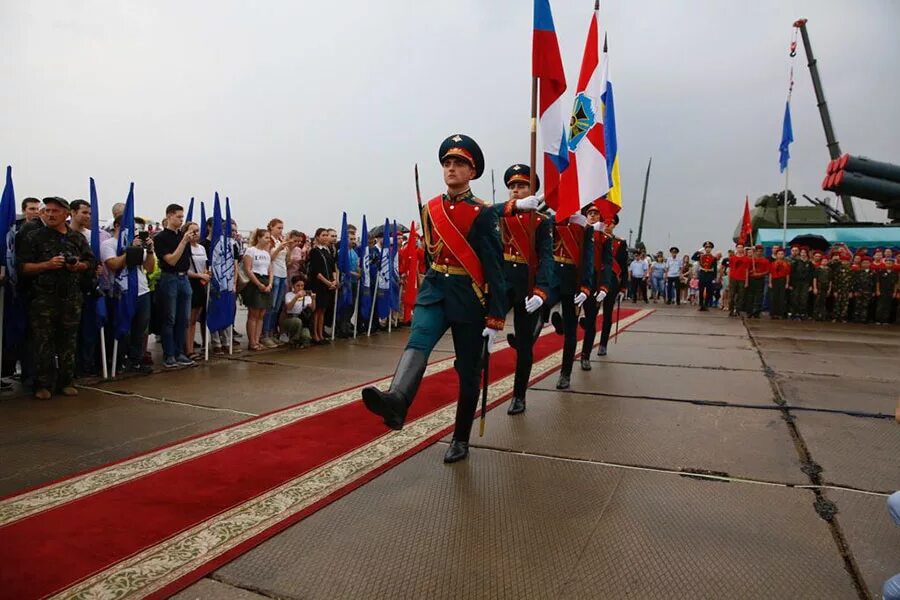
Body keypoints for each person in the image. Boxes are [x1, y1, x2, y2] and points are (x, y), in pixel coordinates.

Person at [361, 133, 509, 464]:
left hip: (468, 298)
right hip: (435, 292)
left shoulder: (483, 213)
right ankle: (397, 400)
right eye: (447, 163)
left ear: (472, 172)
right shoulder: (431, 209)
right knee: (419, 339)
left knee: (469, 371)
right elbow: (431, 255)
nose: (451, 168)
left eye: (459, 163)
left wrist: (496, 316)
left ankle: (460, 438)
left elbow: (495, 268)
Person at [17, 197, 95, 399]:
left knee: (68, 341)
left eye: (55, 211)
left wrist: (77, 266)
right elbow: (23, 267)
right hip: (43, 299)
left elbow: (90, 263)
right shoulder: (33, 237)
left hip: (71, 298)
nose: (50, 214)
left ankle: (66, 381)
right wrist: (47, 265)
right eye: (48, 211)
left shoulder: (77, 238)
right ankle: (43, 384)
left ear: (66, 214)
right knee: (42, 342)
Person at [497, 164, 553, 415]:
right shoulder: (499, 215)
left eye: (521, 186)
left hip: (526, 286)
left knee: (524, 343)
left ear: (532, 190)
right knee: (480, 331)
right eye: (512, 186)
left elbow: (547, 258)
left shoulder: (541, 222)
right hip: (500, 281)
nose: (515, 190)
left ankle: (519, 395)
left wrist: (541, 291)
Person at [101, 214, 155, 373]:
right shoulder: (108, 244)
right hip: (121, 291)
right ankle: (119, 360)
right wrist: (129, 250)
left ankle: (136, 360)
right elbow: (113, 265)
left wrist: (150, 251)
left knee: (140, 329)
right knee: (123, 328)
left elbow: (150, 268)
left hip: (142, 291)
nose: (136, 231)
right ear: (118, 226)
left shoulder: (139, 245)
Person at [548, 210, 593, 390]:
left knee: (571, 332)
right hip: (552, 278)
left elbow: (588, 259)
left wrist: (585, 286)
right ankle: (523, 342)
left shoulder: (584, 227)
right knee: (538, 309)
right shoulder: (552, 220)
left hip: (572, 281)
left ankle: (565, 374)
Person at [153, 204, 196, 368]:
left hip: (184, 278)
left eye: (182, 217)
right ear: (169, 216)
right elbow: (170, 260)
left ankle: (180, 352)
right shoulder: (161, 237)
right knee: (169, 318)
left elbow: (186, 260)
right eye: (178, 217)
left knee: (183, 318)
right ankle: (169, 354)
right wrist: (183, 242)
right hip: (169, 278)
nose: (181, 220)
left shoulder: (182, 237)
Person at [578, 204, 611, 371]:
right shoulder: (579, 231)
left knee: (590, 322)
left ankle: (585, 356)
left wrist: (604, 287)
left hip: (594, 283)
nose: (592, 216)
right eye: (590, 213)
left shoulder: (604, 238)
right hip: (577, 281)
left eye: (596, 213)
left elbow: (607, 263)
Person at [597, 214, 627, 357]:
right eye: (606, 222)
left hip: (612, 280)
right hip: (595, 277)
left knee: (608, 313)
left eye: (611, 223)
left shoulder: (620, 243)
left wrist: (623, 287)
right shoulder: (595, 237)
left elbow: (623, 266)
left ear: (615, 225)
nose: (608, 225)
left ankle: (603, 344)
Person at [241, 228, 273, 350]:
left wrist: (269, 284)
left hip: (265, 281)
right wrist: (258, 284)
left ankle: (258, 339)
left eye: (269, 237)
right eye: (266, 237)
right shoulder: (251, 251)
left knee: (261, 314)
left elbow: (270, 270)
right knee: (253, 314)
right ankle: (252, 342)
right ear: (258, 238)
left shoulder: (266, 253)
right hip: (255, 281)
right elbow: (248, 269)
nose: (268, 239)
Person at [262, 218, 290, 348]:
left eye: (282, 228)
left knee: (277, 307)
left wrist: (288, 248)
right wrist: (279, 248)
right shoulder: (270, 241)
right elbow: (270, 258)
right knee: (270, 307)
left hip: (283, 273)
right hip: (274, 274)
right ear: (271, 227)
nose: (281, 230)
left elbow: (286, 260)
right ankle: (265, 334)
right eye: (278, 228)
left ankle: (272, 332)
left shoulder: (280, 240)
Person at [184, 222, 210, 359]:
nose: (196, 233)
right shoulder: (185, 247)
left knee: (195, 318)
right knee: (188, 318)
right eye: (192, 231)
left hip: (200, 283)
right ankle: (187, 348)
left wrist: (206, 273)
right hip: (191, 281)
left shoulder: (201, 248)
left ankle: (191, 347)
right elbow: (184, 269)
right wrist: (199, 275)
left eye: (197, 231)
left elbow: (204, 265)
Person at [307, 227, 337, 343]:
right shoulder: (315, 251)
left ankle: (321, 333)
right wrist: (327, 282)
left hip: (328, 285)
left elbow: (332, 267)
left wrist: (334, 280)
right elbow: (316, 272)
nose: (325, 237)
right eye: (323, 235)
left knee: (323, 310)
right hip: (318, 284)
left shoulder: (327, 251)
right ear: (317, 237)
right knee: (317, 310)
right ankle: (315, 334)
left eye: (326, 235)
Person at [282, 275, 315, 347]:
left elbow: (312, 309)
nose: (300, 288)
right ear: (293, 286)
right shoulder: (289, 295)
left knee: (306, 336)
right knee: (297, 322)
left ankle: (299, 339)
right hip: (291, 318)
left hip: (302, 318)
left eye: (302, 285)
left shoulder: (306, 296)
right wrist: (296, 297)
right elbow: (289, 307)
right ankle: (294, 339)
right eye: (298, 285)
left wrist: (313, 299)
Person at [746, 245, 770, 318]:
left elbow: (767, 271)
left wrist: (759, 274)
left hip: (760, 280)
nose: (759, 253)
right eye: (757, 251)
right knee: (750, 296)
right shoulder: (751, 260)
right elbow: (746, 270)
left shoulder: (765, 260)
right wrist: (751, 272)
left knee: (759, 296)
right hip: (751, 279)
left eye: (760, 251)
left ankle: (756, 312)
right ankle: (749, 311)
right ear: (755, 251)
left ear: (762, 252)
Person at [692, 242, 718, 311]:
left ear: (711, 249)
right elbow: (693, 257)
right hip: (702, 274)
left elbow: (715, 268)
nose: (708, 249)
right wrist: (699, 251)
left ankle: (706, 305)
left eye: (709, 248)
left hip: (709, 275)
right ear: (705, 248)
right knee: (701, 290)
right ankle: (701, 305)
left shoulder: (714, 258)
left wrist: (714, 278)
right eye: (706, 248)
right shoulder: (701, 256)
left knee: (709, 291)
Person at [830, 248, 853, 323]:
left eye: (846, 261)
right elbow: (835, 281)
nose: (845, 263)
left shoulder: (850, 270)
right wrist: (835, 290)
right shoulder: (837, 269)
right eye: (843, 261)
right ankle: (835, 317)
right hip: (838, 289)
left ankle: (843, 318)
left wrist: (850, 291)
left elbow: (852, 282)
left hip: (846, 290)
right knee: (837, 303)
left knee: (845, 305)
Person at [789, 247, 812, 320]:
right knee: (795, 298)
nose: (803, 254)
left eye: (804, 253)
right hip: (796, 283)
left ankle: (802, 313)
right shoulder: (795, 262)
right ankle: (794, 313)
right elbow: (791, 273)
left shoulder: (809, 263)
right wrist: (790, 284)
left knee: (803, 298)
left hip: (805, 283)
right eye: (802, 252)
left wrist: (810, 285)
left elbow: (811, 275)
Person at [851, 255, 875, 324]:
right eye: (864, 263)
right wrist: (855, 291)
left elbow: (874, 282)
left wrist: (873, 291)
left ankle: (863, 319)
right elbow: (855, 282)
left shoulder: (872, 272)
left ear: (870, 263)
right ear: (861, 264)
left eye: (867, 263)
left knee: (865, 305)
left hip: (868, 292)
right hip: (859, 291)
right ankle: (856, 318)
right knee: (857, 305)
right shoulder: (858, 272)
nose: (865, 264)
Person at [768, 248, 791, 319]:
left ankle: (780, 313)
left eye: (782, 254)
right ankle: (773, 313)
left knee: (782, 297)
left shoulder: (786, 264)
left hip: (782, 280)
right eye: (779, 254)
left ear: (784, 255)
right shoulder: (773, 263)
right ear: (776, 255)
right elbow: (770, 274)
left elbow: (787, 274)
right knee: (774, 297)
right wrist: (770, 282)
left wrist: (787, 283)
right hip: (775, 280)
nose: (780, 255)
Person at [875, 255, 898, 324]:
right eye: (887, 263)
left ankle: (885, 320)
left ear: (893, 264)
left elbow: (896, 284)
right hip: (882, 291)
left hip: (890, 292)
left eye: (890, 263)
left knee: (888, 306)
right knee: (880, 306)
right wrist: (878, 290)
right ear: (885, 263)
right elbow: (878, 282)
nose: (889, 264)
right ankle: (878, 320)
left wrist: (894, 292)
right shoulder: (881, 272)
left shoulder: (895, 273)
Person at [810, 250, 831, 321]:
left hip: (826, 287)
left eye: (826, 261)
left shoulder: (829, 270)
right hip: (819, 286)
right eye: (823, 261)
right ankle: (815, 316)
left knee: (823, 302)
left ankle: (822, 316)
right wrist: (815, 288)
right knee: (817, 301)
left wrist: (829, 289)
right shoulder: (817, 269)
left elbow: (830, 280)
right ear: (821, 261)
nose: (824, 262)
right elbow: (814, 279)